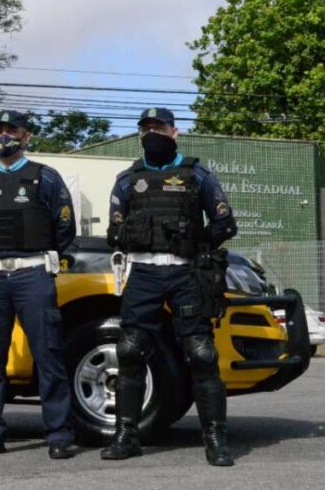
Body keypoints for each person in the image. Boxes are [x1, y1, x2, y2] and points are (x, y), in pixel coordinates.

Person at [102, 107, 238, 466]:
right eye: (145, 128)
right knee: (130, 351)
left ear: (174, 132)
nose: (152, 133)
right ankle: (126, 435)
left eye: (159, 127)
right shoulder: (128, 179)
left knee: (201, 354)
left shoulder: (198, 174)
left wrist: (196, 245)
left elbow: (225, 222)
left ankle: (215, 438)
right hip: (143, 273)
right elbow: (115, 231)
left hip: (185, 274)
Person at [0, 110, 78, 460]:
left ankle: (59, 434)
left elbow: (64, 227)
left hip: (32, 275)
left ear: (26, 136)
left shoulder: (45, 177)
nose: (3, 136)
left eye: (11, 130)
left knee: (48, 357)